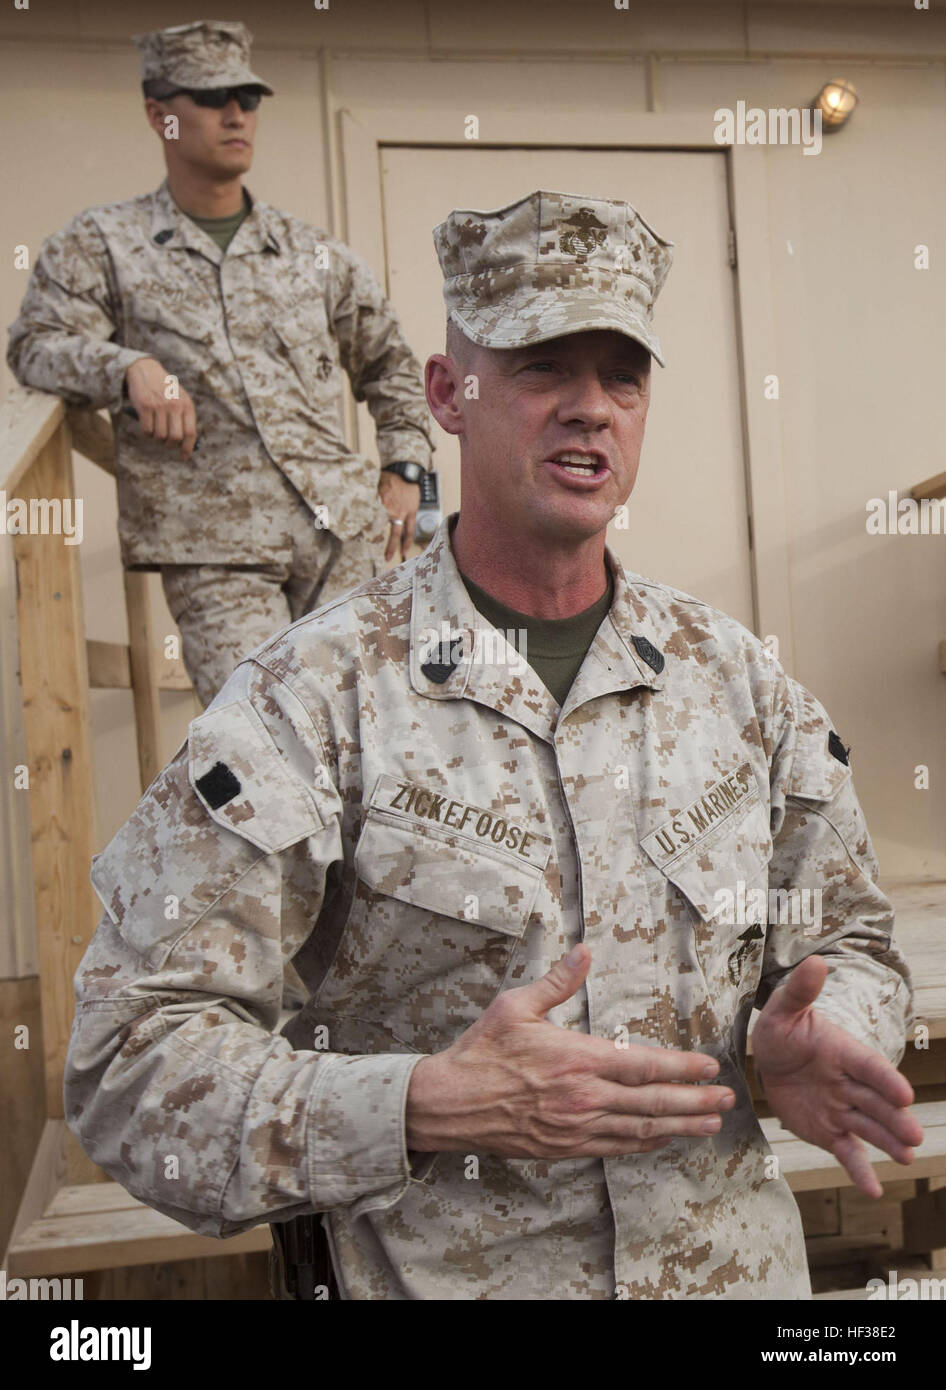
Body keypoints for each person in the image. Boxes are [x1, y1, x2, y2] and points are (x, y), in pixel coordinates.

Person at [63, 188, 921, 1301]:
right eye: (540, 368)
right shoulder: (307, 702)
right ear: (445, 395)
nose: (591, 410)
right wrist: (418, 1103)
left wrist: (824, 1032)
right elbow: (128, 1058)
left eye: (622, 375)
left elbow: (850, 937)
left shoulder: (738, 680)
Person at [7, 19, 433, 708]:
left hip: (344, 536)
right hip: (214, 547)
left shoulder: (309, 252)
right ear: (159, 116)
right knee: (261, 733)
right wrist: (128, 367)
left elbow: (390, 363)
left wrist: (406, 467)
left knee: (378, 734)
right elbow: (35, 345)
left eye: (247, 97)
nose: (236, 114)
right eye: (209, 98)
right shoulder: (104, 243)